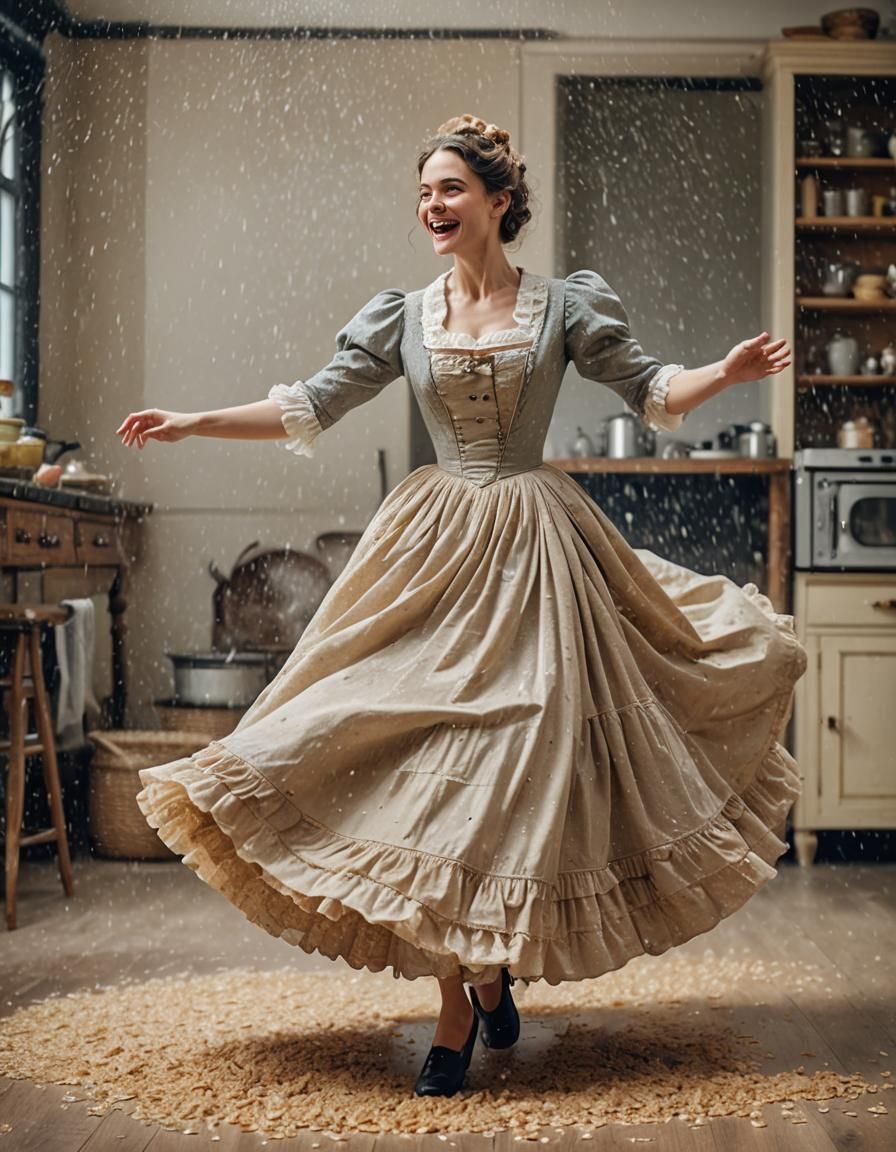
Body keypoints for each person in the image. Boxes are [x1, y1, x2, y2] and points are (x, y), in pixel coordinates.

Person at [119, 113, 807, 1099]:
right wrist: (195, 421)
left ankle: (483, 976)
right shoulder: (402, 315)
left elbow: (655, 391)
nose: (430, 207)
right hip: (432, 546)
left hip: (535, 545)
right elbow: (310, 404)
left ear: (496, 202)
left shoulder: (566, 306)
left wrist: (724, 375)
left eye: (448, 189)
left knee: (513, 760)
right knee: (411, 751)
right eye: (423, 193)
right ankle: (463, 999)